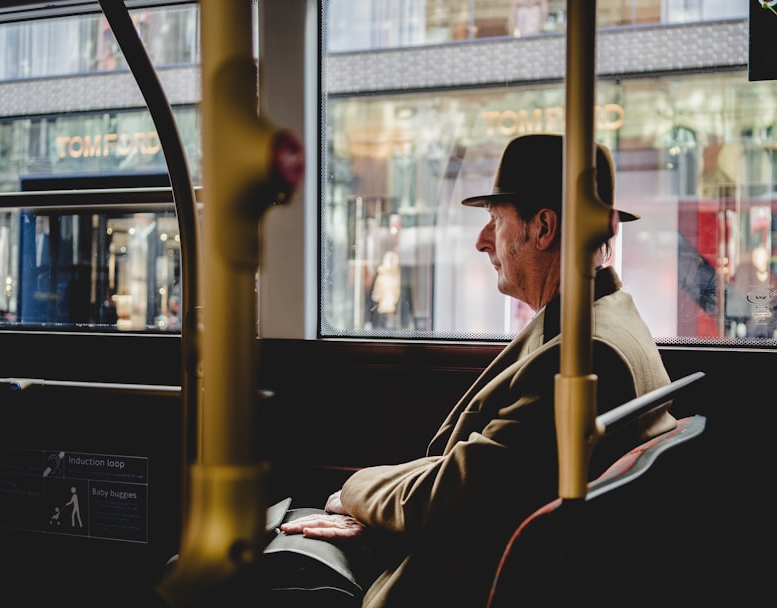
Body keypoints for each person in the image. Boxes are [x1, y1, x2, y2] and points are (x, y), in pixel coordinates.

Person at [278, 133, 676, 608]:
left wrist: (353, 491)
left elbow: (451, 497)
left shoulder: (581, 358)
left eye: (494, 220)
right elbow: (483, 476)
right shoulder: (608, 321)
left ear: (543, 227)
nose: (481, 240)